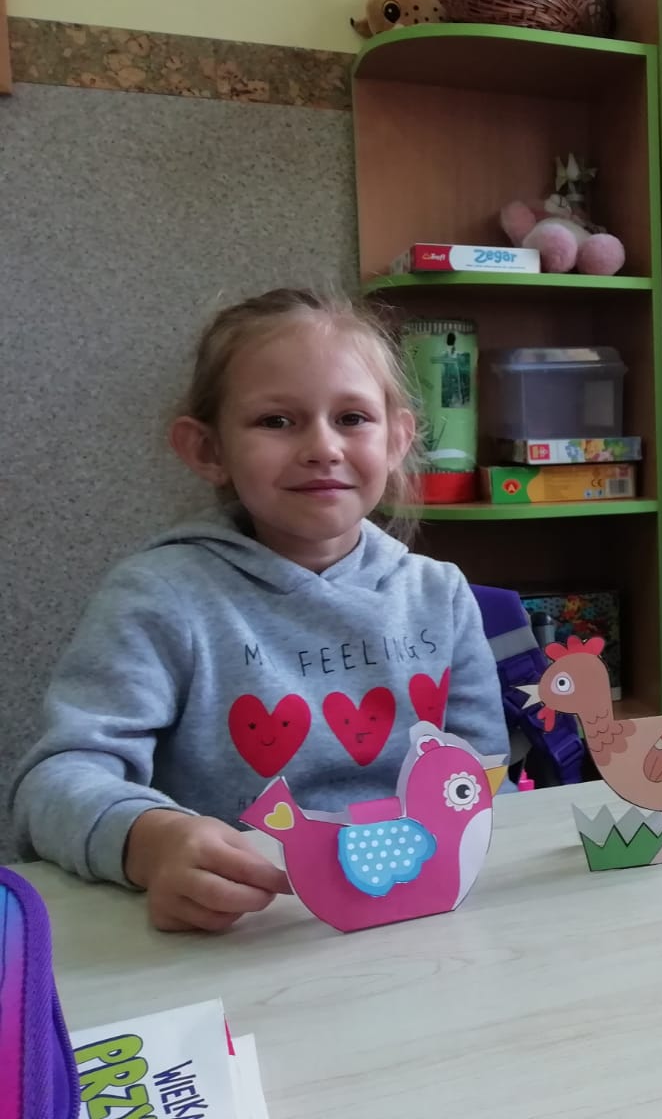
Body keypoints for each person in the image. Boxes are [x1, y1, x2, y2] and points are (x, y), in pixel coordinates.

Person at [10, 288, 507, 932]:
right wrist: (153, 843)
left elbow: (481, 775)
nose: (322, 446)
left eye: (352, 417)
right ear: (207, 450)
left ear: (397, 439)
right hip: (246, 932)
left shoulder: (440, 594)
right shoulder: (160, 597)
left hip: (429, 922)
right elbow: (54, 782)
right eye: (276, 421)